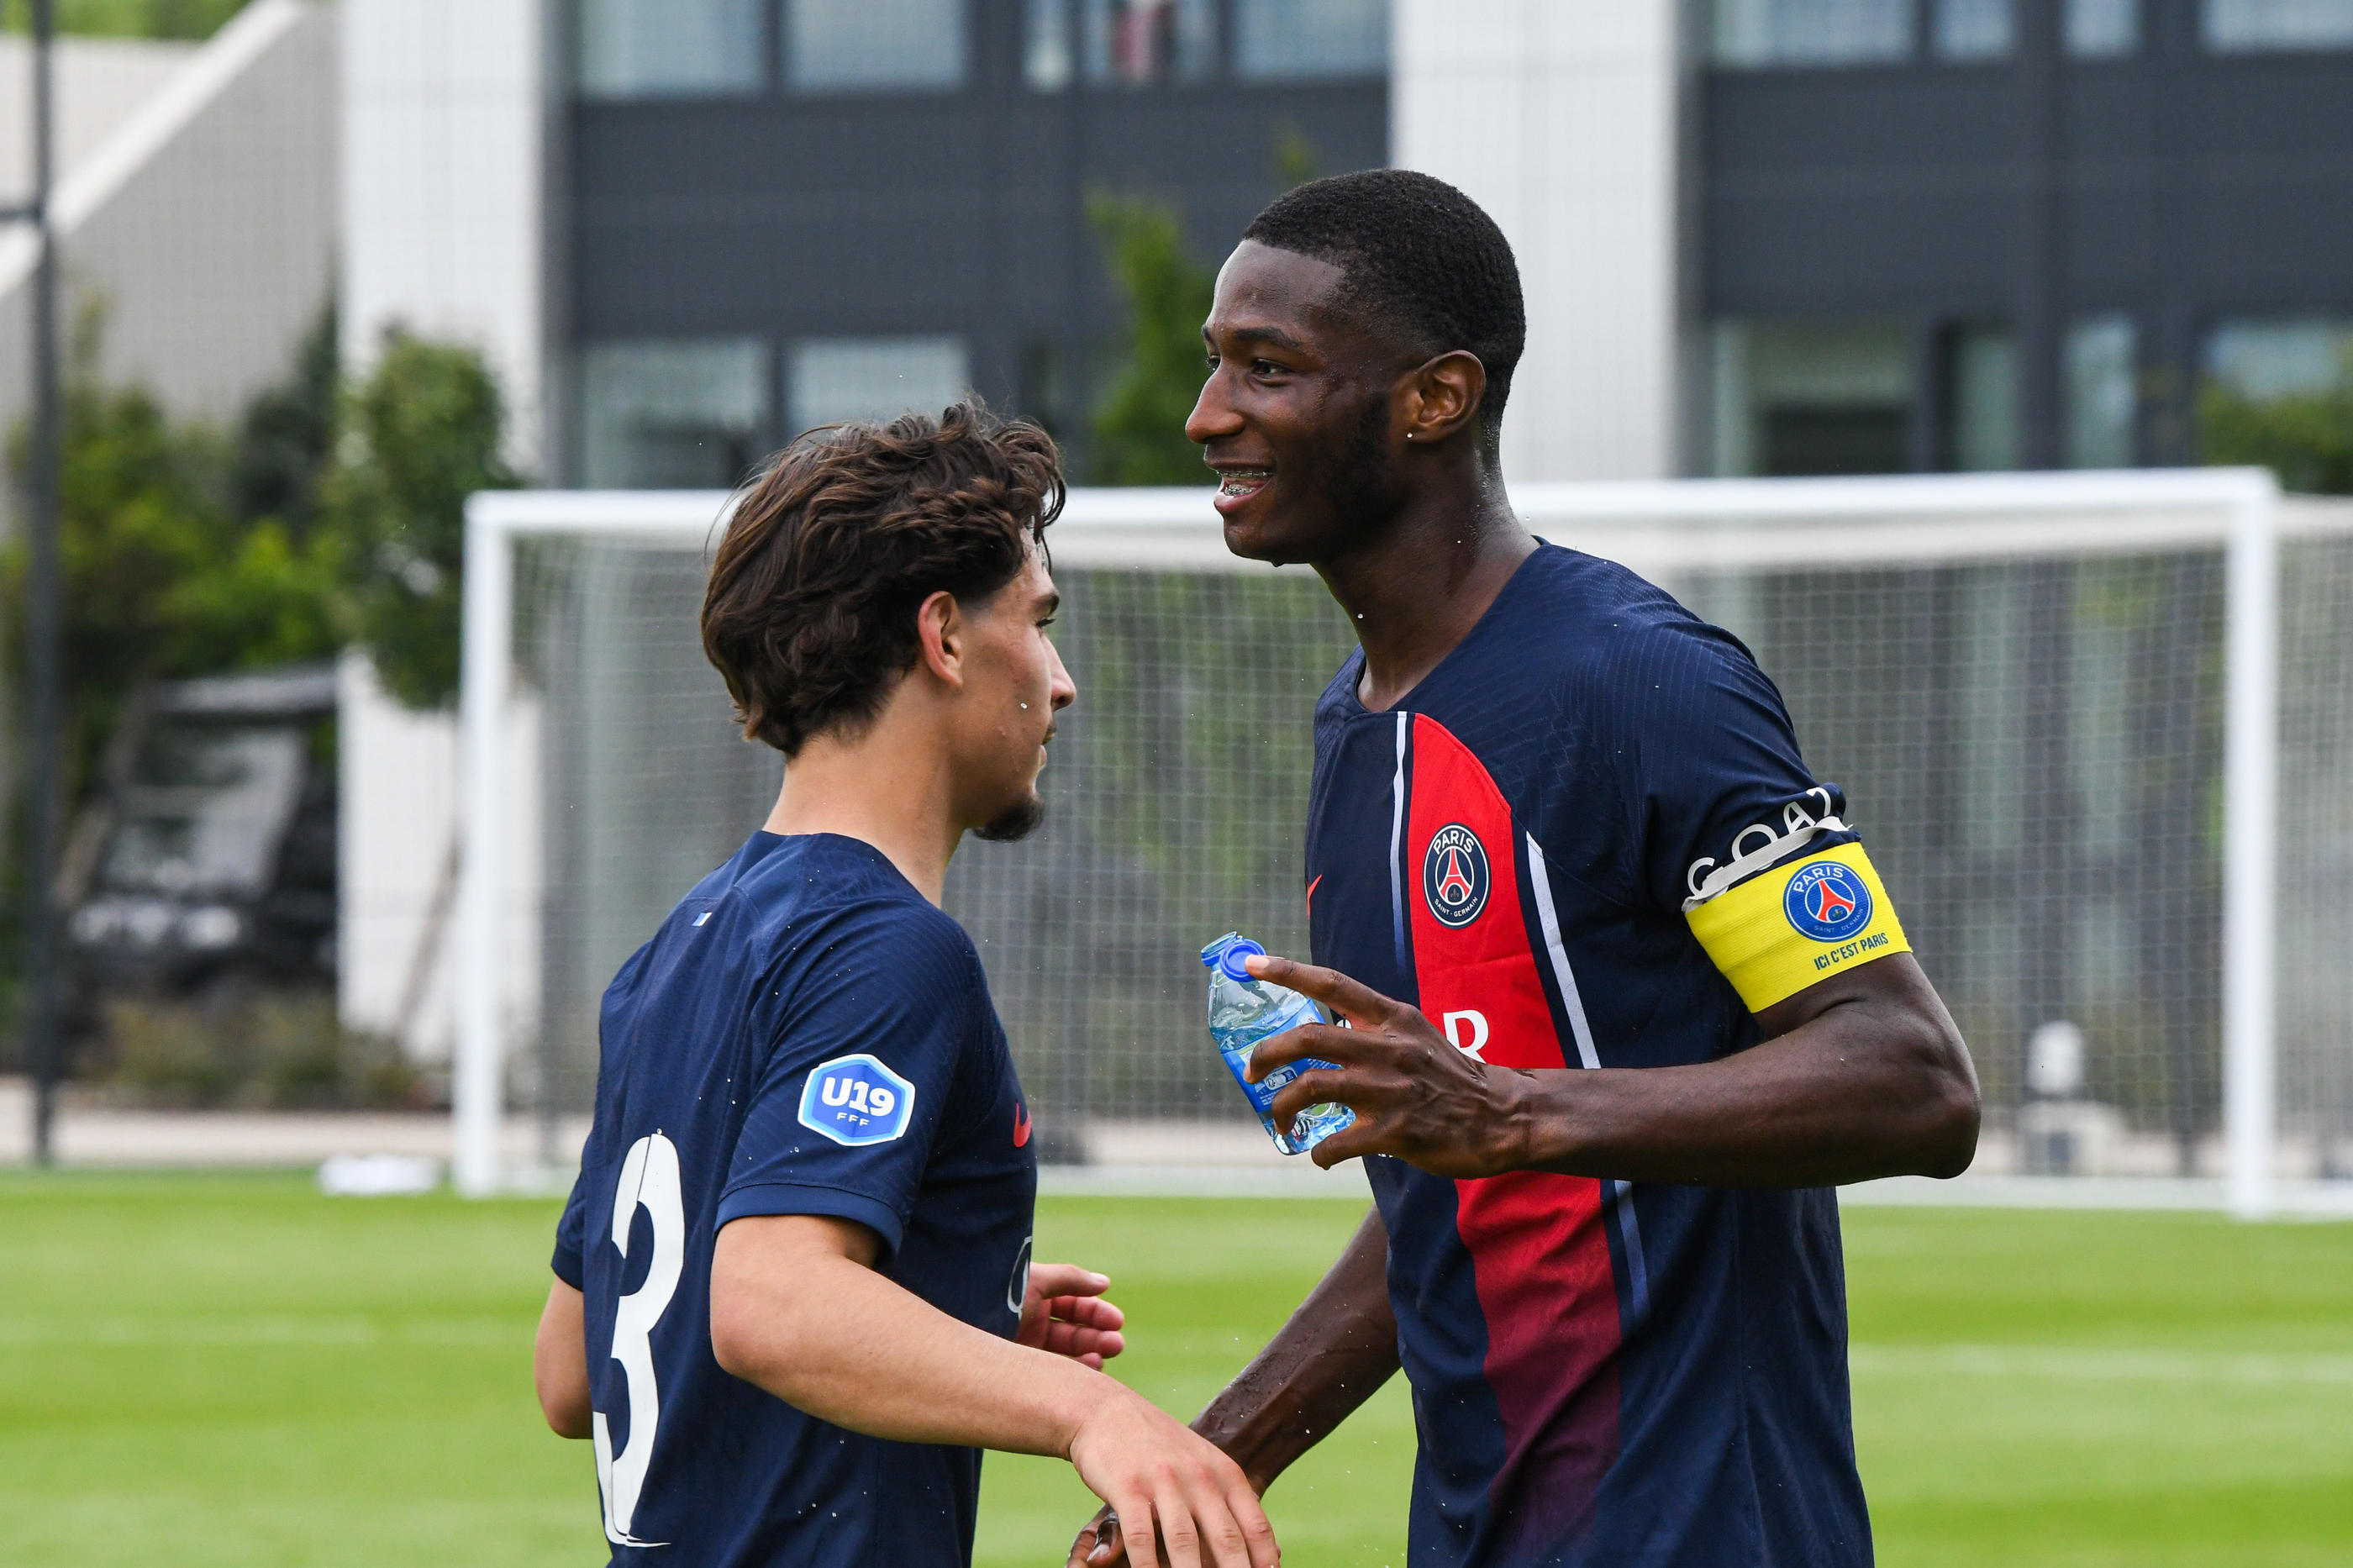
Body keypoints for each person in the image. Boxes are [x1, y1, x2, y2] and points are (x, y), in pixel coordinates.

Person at [1068, 171, 1982, 1567]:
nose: (1209, 416)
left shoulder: (1644, 683)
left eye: (1269, 367)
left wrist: (1512, 1111)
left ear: (1434, 398)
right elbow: (1456, 1172)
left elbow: (1914, 1077)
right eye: (1213, 364)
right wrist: (1210, 1460)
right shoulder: (1356, 725)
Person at [533, 403, 1279, 1568]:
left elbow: (574, 1370)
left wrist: (931, 1307)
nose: (1063, 681)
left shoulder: (671, 950)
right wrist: (1096, 1414)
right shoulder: (888, 947)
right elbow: (770, 1303)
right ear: (942, 636)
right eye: (1037, 622)